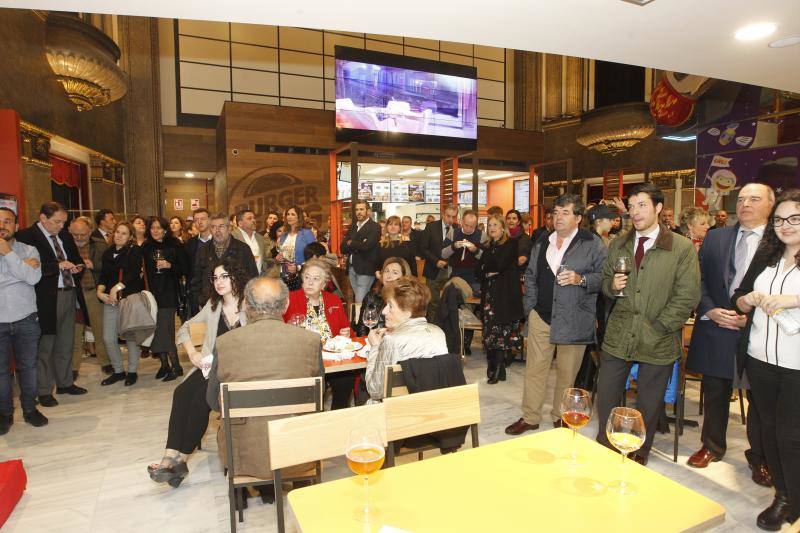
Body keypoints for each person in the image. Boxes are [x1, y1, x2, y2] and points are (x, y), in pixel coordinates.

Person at [594, 183, 700, 466]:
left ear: (658, 208)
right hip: (619, 334)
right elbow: (605, 283)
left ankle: (639, 453)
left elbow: (687, 295)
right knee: (606, 395)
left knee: (649, 404)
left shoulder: (680, 247)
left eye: (642, 204)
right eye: (631, 206)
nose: (635, 211)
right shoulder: (619, 244)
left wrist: (661, 326)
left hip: (658, 337)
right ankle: (606, 448)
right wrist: (612, 287)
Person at [686, 183, 774, 485]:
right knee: (715, 391)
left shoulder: (779, 242)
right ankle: (711, 445)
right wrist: (710, 310)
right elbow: (698, 279)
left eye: (755, 199)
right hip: (717, 325)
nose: (746, 204)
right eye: (742, 199)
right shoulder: (717, 237)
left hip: (760, 329)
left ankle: (761, 457)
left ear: (770, 204)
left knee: (759, 398)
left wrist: (748, 317)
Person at [207, 277, 324, 487]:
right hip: (299, 453)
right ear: (286, 304)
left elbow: (214, 402)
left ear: (246, 305)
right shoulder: (310, 341)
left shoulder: (225, 343)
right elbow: (318, 397)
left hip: (243, 457)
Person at [505, 194, 607, 435]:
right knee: (534, 370)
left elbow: (605, 278)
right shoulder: (543, 240)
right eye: (556, 212)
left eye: (565, 213)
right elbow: (530, 275)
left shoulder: (592, 243)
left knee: (566, 372)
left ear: (579, 218)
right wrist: (530, 308)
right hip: (541, 316)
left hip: (574, 318)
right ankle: (530, 417)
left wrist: (580, 279)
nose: (559, 217)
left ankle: (560, 416)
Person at [732, 189, 800, 530]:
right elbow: (739, 297)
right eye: (779, 220)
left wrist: (792, 300)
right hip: (759, 359)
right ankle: (783, 494)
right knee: (769, 433)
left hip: (796, 365)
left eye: (794, 219)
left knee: (791, 435)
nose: (785, 226)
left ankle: (791, 498)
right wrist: (749, 301)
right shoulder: (767, 256)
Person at [147, 259, 247, 488]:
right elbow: (183, 329)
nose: (219, 282)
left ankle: (179, 461)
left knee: (201, 400)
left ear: (235, 277)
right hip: (211, 367)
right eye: (215, 277)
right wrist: (192, 353)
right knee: (181, 392)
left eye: (224, 276)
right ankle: (170, 456)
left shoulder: (249, 306)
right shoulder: (213, 307)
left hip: (236, 371)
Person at [16, 201, 87, 406]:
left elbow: (74, 258)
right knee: (45, 345)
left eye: (63, 222)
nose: (61, 227)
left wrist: (77, 267)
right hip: (45, 297)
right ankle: (44, 390)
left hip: (69, 292)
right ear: (43, 218)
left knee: (66, 342)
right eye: (57, 222)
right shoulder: (26, 237)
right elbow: (27, 268)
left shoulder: (64, 235)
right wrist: (57, 266)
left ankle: (65, 383)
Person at [0, 207, 47, 434]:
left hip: (26, 319)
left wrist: (8, 253)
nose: (2, 225)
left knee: (28, 367)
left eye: (7, 221)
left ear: (16, 226)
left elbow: (33, 277)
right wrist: (19, 269)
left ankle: (30, 409)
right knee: (1, 371)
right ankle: (5, 414)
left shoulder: (30, 249)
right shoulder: (25, 257)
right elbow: (22, 276)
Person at [365, 277, 448, 401]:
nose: (383, 311)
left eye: (390, 306)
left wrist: (375, 347)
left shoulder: (391, 340)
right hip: (432, 406)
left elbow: (375, 391)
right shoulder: (438, 332)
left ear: (408, 312)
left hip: (399, 412)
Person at [283, 258, 351, 409]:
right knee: (311, 388)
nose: (310, 282)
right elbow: (280, 330)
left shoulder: (333, 300)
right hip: (303, 358)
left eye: (316, 279)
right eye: (307, 277)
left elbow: (347, 329)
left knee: (346, 378)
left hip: (331, 357)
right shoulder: (290, 299)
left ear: (324, 284)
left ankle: (337, 415)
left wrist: (345, 334)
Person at [97, 222, 145, 386]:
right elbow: (103, 275)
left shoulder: (134, 251)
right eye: (117, 232)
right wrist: (100, 292)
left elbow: (132, 274)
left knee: (131, 337)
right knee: (108, 338)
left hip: (129, 299)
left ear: (130, 236)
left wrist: (116, 288)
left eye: (124, 233)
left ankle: (132, 371)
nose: (119, 235)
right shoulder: (108, 252)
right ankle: (118, 371)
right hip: (110, 300)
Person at [142, 216, 189, 382]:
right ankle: (164, 365)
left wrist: (169, 266)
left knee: (166, 330)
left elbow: (185, 268)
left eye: (159, 227)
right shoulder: (146, 246)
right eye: (152, 227)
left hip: (168, 292)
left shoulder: (175, 245)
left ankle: (176, 365)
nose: (155, 230)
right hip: (151, 293)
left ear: (165, 229)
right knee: (155, 329)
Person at [478, 214, 523, 384]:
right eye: (489, 225)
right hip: (489, 295)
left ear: (503, 227)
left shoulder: (511, 245)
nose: (492, 228)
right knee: (490, 333)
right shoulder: (488, 247)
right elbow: (479, 270)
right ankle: (497, 367)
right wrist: (487, 270)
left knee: (500, 334)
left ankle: (497, 367)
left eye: (495, 224)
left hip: (504, 296)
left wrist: (489, 269)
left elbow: (499, 265)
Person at [68, 217, 111, 377]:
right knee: (75, 333)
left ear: (90, 232)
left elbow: (109, 269)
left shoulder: (100, 246)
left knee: (100, 330)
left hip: (93, 292)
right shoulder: (64, 244)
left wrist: (94, 265)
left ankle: (106, 362)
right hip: (73, 294)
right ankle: (73, 368)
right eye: (75, 235)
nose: (79, 238)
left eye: (83, 235)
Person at [190, 212, 258, 308]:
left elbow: (253, 278)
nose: (217, 231)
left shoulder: (243, 249)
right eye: (213, 227)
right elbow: (196, 280)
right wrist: (200, 301)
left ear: (229, 228)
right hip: (210, 304)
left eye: (221, 226)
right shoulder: (203, 250)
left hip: (238, 304)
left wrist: (248, 302)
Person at [341, 200, 381, 320]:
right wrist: (358, 243)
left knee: (359, 299)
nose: (359, 212)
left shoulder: (375, 227)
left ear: (368, 211)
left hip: (366, 268)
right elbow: (342, 247)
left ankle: (360, 327)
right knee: (361, 299)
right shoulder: (354, 226)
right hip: (352, 267)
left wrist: (351, 243)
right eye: (357, 209)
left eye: (362, 209)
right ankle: (367, 322)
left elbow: (367, 246)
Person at [355, 257, 412, 336]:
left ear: (404, 277)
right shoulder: (371, 296)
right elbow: (361, 328)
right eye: (386, 271)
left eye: (394, 272)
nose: (388, 276)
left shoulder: (409, 299)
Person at [420, 204, 458, 322]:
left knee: (450, 302)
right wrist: (436, 261)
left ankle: (446, 329)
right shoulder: (431, 227)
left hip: (451, 271)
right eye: (448, 216)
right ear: (443, 214)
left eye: (453, 217)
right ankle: (432, 328)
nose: (450, 220)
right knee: (432, 302)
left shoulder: (457, 229)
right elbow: (423, 248)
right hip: (433, 269)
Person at [277, 205, 317, 289]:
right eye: (288, 214)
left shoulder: (307, 233)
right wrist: (278, 258)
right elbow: (281, 253)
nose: (289, 217)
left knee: (299, 300)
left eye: (293, 214)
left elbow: (315, 256)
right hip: (284, 275)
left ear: (299, 217)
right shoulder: (284, 235)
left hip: (302, 276)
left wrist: (298, 268)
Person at [185, 208, 212, 317]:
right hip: (197, 293)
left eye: (203, 219)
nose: (199, 222)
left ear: (210, 220)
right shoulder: (190, 244)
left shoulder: (218, 240)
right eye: (196, 220)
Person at [232, 208, 268, 274]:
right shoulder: (232, 237)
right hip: (241, 279)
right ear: (240, 223)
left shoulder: (260, 238)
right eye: (249, 218)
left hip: (259, 278)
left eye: (254, 218)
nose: (253, 220)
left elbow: (265, 259)